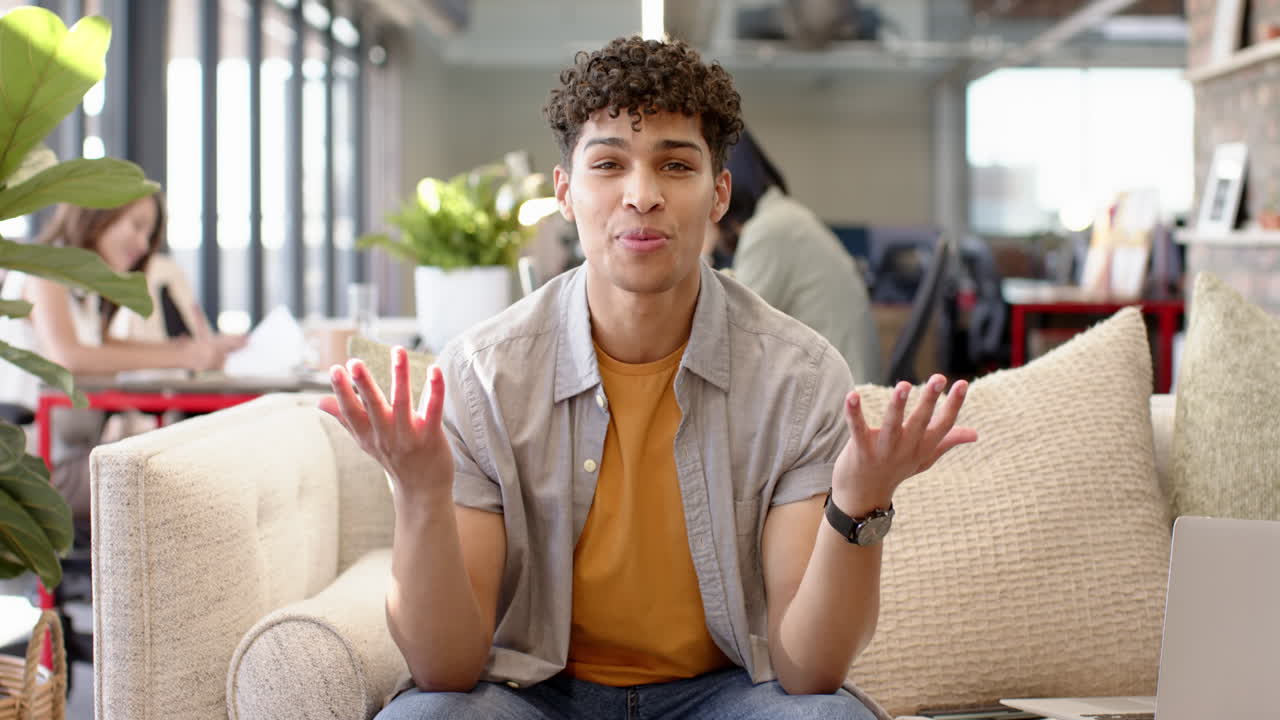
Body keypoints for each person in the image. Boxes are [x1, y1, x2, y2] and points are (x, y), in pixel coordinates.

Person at [321, 36, 977, 720]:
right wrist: (423, 493)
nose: (642, 196)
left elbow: (809, 671)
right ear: (566, 192)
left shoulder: (800, 378)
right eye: (608, 164)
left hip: (724, 695)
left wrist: (857, 502)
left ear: (718, 193)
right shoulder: (484, 375)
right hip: (534, 696)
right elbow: (444, 668)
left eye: (675, 165)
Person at [0, 193, 243, 527]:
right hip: (35, 468)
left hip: (72, 455)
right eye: (137, 226)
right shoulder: (44, 272)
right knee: (190, 479)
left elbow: (105, 346)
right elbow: (69, 356)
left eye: (149, 234)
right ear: (96, 216)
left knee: (195, 465)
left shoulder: (81, 290)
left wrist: (190, 349)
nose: (143, 245)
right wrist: (184, 355)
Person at [714, 127, 882, 383]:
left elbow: (724, 336)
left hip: (841, 397)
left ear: (723, 185)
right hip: (839, 384)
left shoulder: (771, 230)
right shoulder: (784, 217)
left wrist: (698, 249)